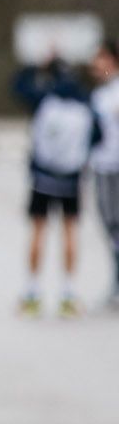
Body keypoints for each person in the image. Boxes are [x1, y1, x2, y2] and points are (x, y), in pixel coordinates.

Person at [15, 56, 102, 318]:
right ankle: (68, 292)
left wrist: (34, 65)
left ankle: (32, 292)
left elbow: (17, 86)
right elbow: (98, 137)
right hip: (71, 178)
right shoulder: (85, 104)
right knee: (69, 232)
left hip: (43, 176)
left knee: (38, 231)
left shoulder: (44, 100)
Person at [90, 40, 119, 308]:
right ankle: (115, 283)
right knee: (110, 227)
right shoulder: (98, 95)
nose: (96, 65)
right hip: (103, 167)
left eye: (101, 59)